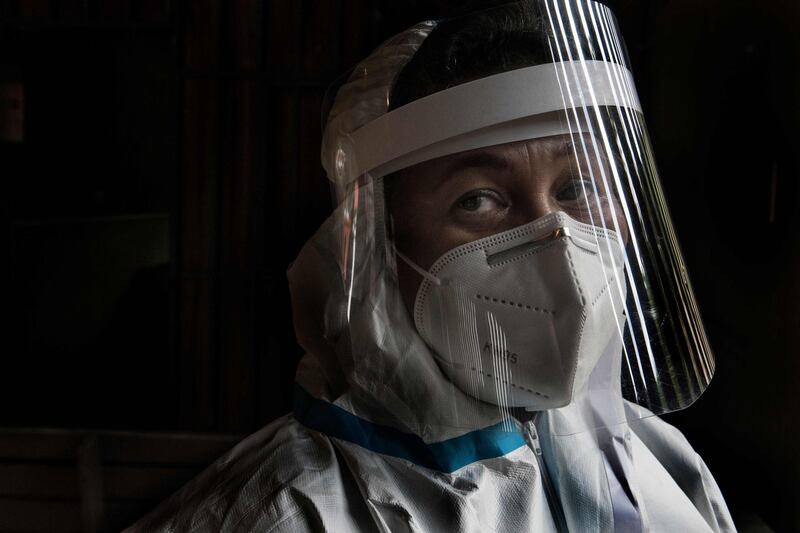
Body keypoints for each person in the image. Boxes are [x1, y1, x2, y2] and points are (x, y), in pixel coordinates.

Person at [128, 1, 735, 531]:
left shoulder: (653, 461)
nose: (557, 241)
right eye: (477, 200)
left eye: (578, 186)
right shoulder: (296, 513)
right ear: (379, 251)